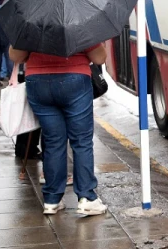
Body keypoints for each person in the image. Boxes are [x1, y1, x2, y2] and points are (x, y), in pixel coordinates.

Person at [10, 42, 108, 215]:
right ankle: (87, 197)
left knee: (53, 141)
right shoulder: (77, 18)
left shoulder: (30, 20)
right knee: (81, 141)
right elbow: (99, 57)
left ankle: (52, 200)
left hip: (38, 82)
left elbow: (16, 56)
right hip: (75, 80)